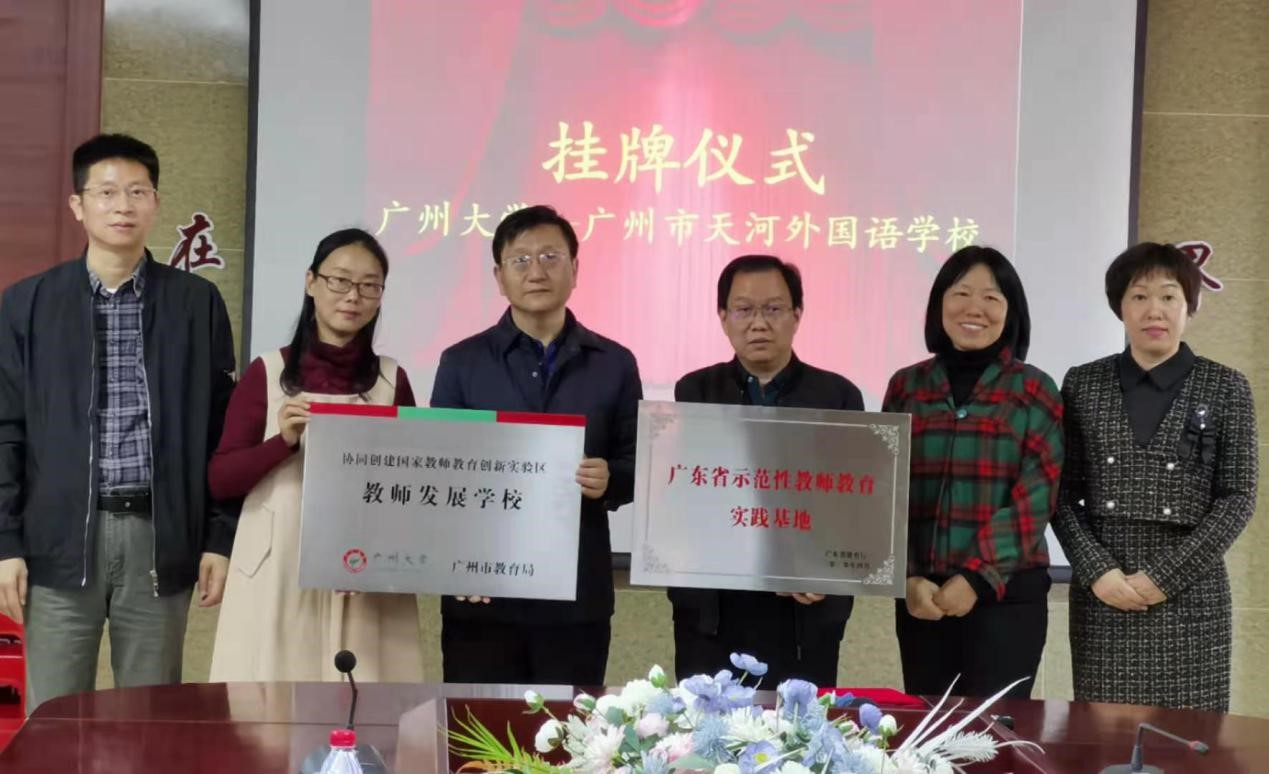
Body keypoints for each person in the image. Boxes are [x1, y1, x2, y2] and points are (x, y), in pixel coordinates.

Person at [0, 134, 237, 709]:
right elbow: (6, 428)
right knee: (54, 719)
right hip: (56, 541)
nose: (122, 206)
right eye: (106, 192)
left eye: (137, 192)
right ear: (78, 205)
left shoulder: (196, 303)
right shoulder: (28, 303)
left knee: (150, 719)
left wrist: (219, 537)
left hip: (159, 535)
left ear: (155, 203)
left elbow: (221, 433)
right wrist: (6, 543)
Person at [430, 205, 641, 685]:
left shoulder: (614, 363)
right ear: (499, 277)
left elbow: (637, 464)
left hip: (576, 596)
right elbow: (442, 473)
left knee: (569, 728)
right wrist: (456, 565)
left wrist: (611, 478)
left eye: (550, 257)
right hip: (481, 593)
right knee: (478, 729)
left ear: (575, 269)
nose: (537, 271)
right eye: (520, 260)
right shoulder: (462, 362)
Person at [207, 228, 422, 682]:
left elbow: (411, 488)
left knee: (368, 695)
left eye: (369, 285)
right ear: (311, 282)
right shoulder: (268, 372)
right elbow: (222, 478)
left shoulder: (391, 380)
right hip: (279, 564)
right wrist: (281, 441)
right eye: (339, 280)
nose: (353, 296)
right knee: (270, 700)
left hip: (362, 569)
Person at [1053, 242, 1258, 711]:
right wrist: (1097, 571)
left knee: (1192, 738)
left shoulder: (1226, 386)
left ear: (1190, 306)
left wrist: (1166, 576)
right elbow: (1061, 494)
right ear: (1120, 307)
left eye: (1169, 296)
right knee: (1104, 735)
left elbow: (1238, 496)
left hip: (1192, 595)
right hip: (1105, 594)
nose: (1154, 310)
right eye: (1139, 296)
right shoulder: (1083, 383)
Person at [671, 254, 862, 687]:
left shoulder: (837, 397)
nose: (759, 323)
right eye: (744, 309)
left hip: (804, 613)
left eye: (773, 309)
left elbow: (853, 508)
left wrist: (825, 568)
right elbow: (679, 499)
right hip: (712, 611)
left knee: (800, 727)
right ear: (723, 317)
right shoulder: (694, 392)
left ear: (797, 314)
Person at [883, 246, 1062, 699]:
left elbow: (1036, 496)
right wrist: (906, 577)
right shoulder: (906, 385)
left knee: (994, 732)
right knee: (927, 730)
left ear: (1011, 311)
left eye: (991, 297)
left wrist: (977, 577)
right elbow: (886, 490)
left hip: (1007, 596)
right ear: (939, 303)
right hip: (923, 597)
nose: (974, 308)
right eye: (961, 293)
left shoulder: (1034, 387)